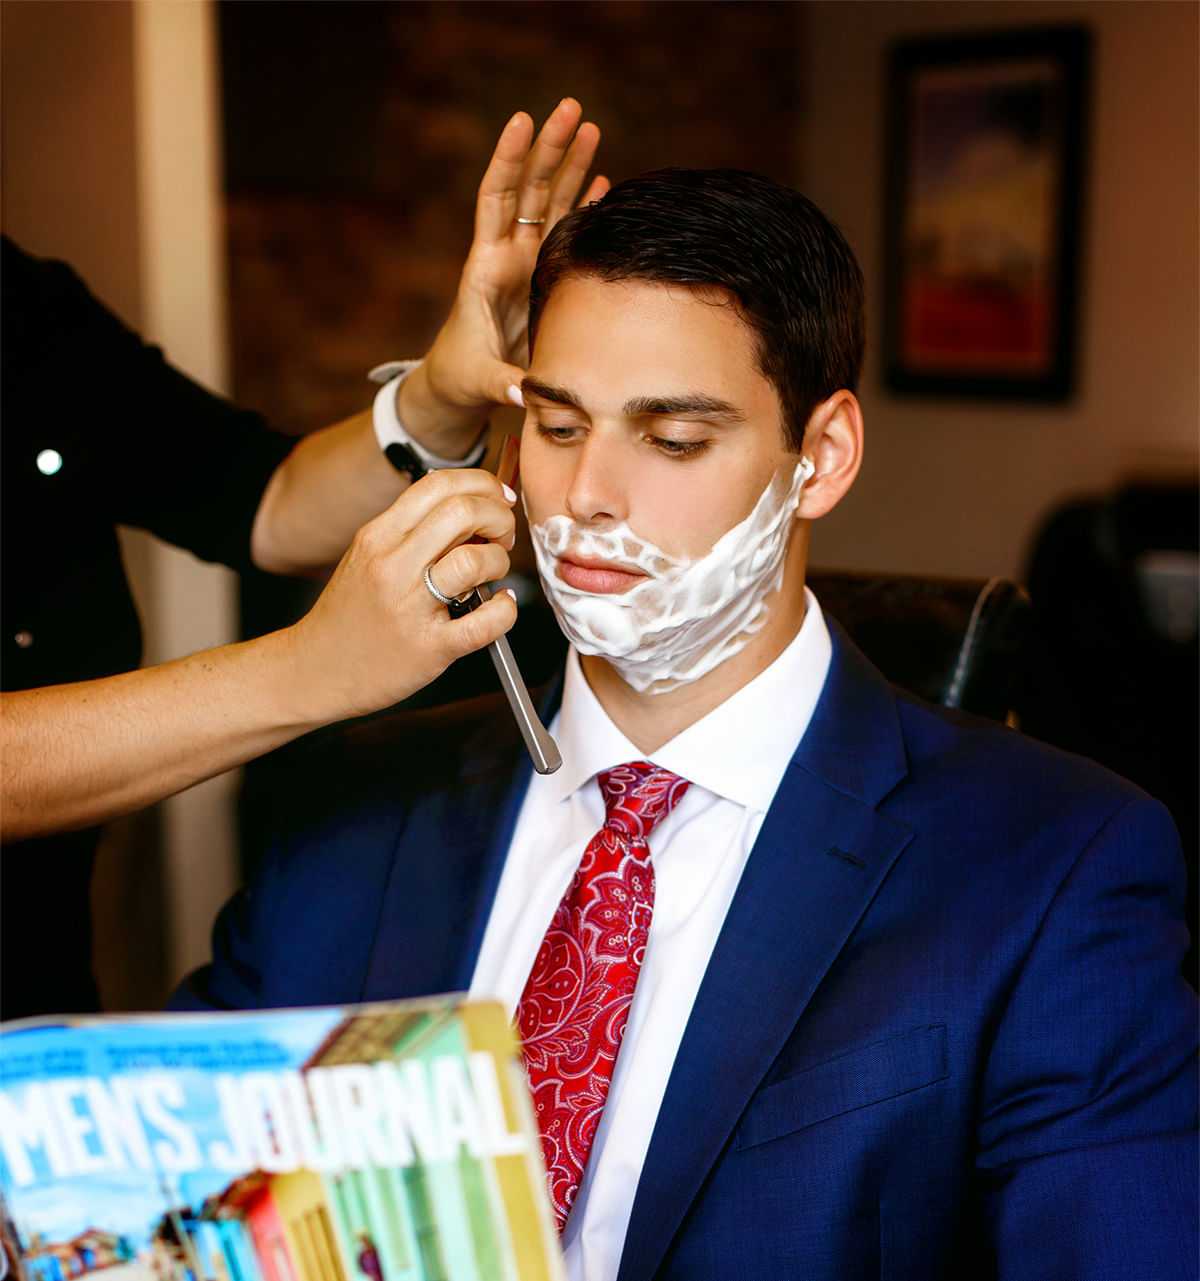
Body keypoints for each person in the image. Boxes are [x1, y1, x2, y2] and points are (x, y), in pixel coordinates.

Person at [174, 170, 1197, 1280]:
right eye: (557, 425)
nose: (587, 493)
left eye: (671, 439)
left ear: (823, 456)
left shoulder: (1057, 867)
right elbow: (161, 1209)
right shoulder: (351, 809)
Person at [0, 99, 609, 1019]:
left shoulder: (28, 314)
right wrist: (309, 668)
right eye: (561, 430)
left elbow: (262, 501)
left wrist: (439, 392)